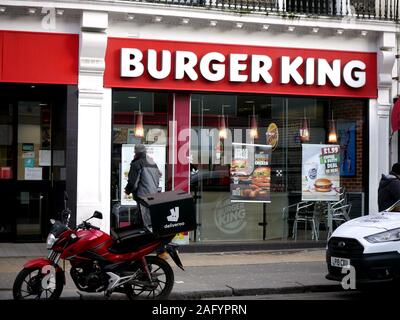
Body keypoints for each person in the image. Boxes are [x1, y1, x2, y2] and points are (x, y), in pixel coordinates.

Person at [124, 144, 167, 259]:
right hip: (153, 196)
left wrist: (127, 191)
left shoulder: (136, 163)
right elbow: (158, 177)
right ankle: (135, 250)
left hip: (143, 198)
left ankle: (160, 250)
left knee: (147, 225)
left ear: (136, 152)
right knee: (139, 223)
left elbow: (133, 183)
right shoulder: (152, 163)